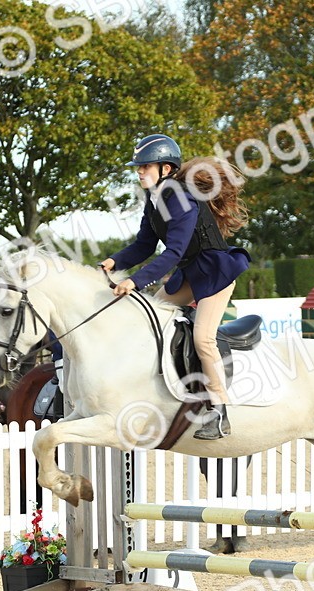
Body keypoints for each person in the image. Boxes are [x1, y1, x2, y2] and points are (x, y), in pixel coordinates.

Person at [101, 134, 250, 440]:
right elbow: (144, 245)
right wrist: (113, 263)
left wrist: (135, 280)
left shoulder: (181, 197)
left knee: (203, 338)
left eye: (145, 166)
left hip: (215, 273)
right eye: (138, 167)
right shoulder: (155, 199)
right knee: (150, 320)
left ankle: (220, 411)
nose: (139, 172)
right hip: (190, 275)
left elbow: (173, 252)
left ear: (166, 169)